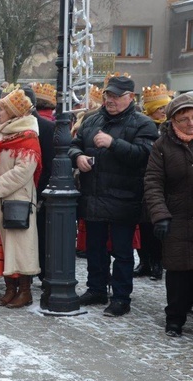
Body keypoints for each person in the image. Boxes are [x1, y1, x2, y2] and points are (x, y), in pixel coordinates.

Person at [67, 75, 158, 317]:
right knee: (95, 249)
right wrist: (77, 157)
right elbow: (73, 144)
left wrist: (113, 143)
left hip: (124, 198)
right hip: (94, 196)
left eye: (117, 96)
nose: (111, 100)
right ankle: (96, 288)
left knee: (122, 252)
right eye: (108, 95)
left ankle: (120, 297)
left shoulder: (144, 124)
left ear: (131, 98)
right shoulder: (92, 120)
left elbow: (144, 156)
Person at [0, 88, 42, 308]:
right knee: (1, 246)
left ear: (13, 113)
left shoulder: (28, 137)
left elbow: (23, 171)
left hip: (16, 199)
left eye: (2, 108)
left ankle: (24, 291)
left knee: (19, 248)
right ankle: (9, 289)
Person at [144, 93, 193, 337]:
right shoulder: (162, 146)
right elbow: (153, 183)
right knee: (178, 274)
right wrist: (160, 215)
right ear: (173, 120)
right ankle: (174, 319)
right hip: (177, 218)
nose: (191, 123)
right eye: (184, 119)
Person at [135, 84, 171, 281]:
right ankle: (144, 262)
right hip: (141, 183)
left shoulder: (169, 128)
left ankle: (157, 263)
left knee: (155, 226)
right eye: (159, 108)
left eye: (165, 108)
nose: (163, 112)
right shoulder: (143, 126)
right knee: (143, 227)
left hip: (160, 185)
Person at [21, 86, 56, 286]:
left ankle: (43, 273)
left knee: (42, 235)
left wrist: (41, 192)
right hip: (20, 190)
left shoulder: (47, 127)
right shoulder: (11, 126)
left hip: (39, 189)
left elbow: (50, 164)